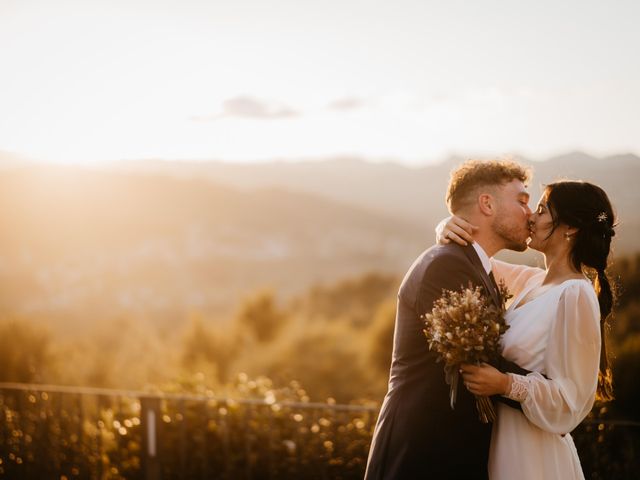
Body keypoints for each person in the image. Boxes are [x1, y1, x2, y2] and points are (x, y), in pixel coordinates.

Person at [364, 159, 536, 480]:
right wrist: (549, 393)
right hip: (421, 454)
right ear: (486, 203)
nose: (531, 213)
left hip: (450, 453)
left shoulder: (475, 267)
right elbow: (476, 364)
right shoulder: (447, 265)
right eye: (522, 201)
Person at [438, 180, 616, 479]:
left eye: (542, 210)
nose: (531, 217)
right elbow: (475, 259)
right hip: (498, 443)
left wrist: (505, 384)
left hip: (533, 455)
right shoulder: (534, 282)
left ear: (569, 227)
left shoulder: (576, 295)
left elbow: (571, 399)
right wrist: (447, 226)